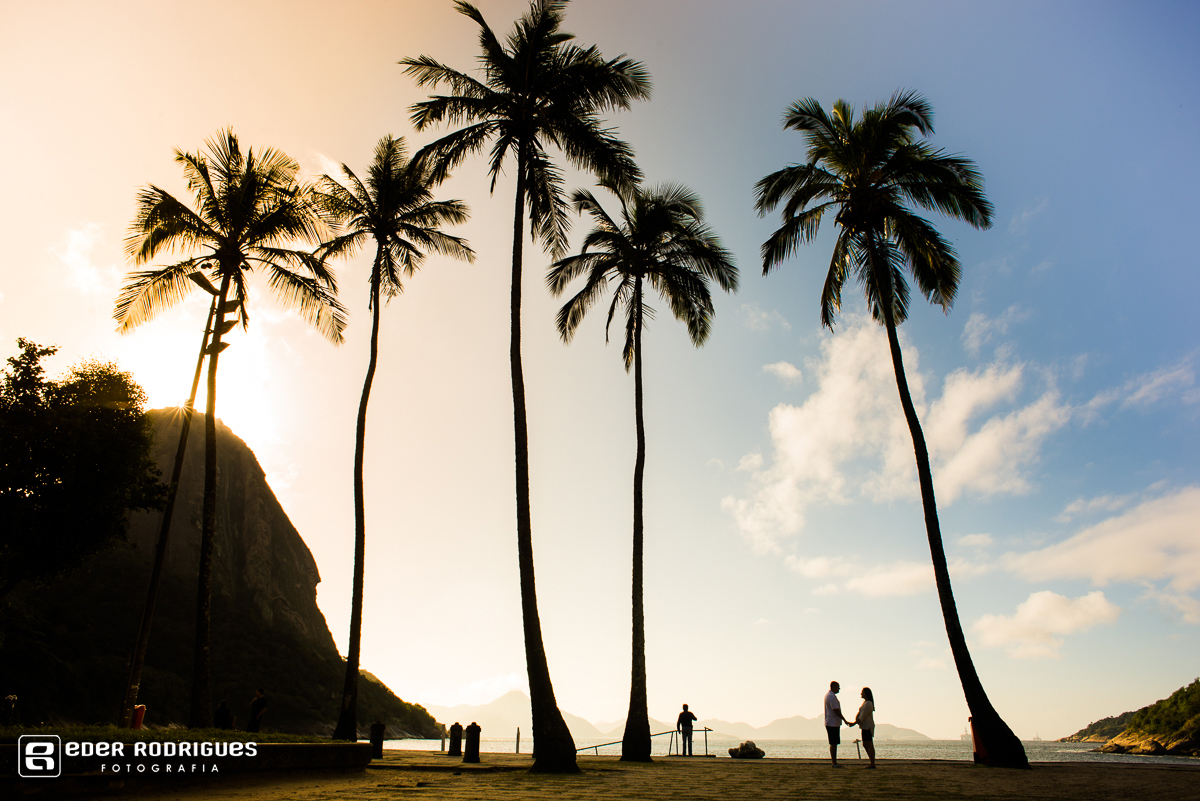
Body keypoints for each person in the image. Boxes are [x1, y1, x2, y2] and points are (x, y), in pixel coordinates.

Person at [823, 681, 852, 767]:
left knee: (834, 742)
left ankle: (834, 761)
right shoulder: (831, 697)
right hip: (832, 723)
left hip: (831, 722)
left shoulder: (829, 696)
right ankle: (834, 762)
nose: (839, 688)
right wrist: (844, 720)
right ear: (834, 687)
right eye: (838, 687)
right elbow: (836, 710)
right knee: (833, 742)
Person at [853, 687, 876, 768]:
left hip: (867, 726)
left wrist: (854, 723)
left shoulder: (869, 704)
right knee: (865, 744)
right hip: (864, 726)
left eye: (862, 692)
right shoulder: (865, 703)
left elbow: (862, 716)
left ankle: (872, 762)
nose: (861, 693)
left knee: (869, 744)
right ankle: (871, 761)